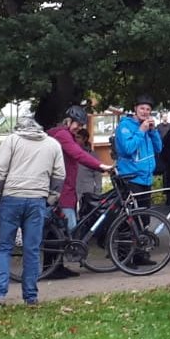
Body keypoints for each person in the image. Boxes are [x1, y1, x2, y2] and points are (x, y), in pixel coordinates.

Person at [0, 118, 66, 306]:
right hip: (37, 200)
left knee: (4, 247)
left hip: (11, 198)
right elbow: (59, 175)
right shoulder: (52, 144)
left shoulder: (12, 141)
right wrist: (50, 199)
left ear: (19, 128)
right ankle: (31, 296)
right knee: (31, 249)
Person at [47, 107, 113, 279]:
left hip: (67, 189)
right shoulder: (62, 135)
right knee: (64, 229)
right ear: (68, 120)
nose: (79, 127)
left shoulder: (65, 135)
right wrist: (100, 166)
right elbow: (78, 154)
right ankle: (52, 268)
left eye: (81, 125)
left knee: (61, 229)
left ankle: (56, 266)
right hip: (62, 190)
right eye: (77, 124)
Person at [114, 95, 163, 206]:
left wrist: (153, 131)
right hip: (131, 179)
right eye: (142, 108)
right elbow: (128, 149)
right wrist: (141, 131)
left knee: (145, 218)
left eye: (148, 109)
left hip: (147, 179)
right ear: (135, 108)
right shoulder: (125, 126)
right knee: (134, 219)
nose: (145, 112)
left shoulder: (147, 126)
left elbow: (159, 148)